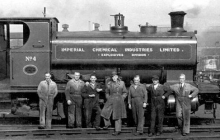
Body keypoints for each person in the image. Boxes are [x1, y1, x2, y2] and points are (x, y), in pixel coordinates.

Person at [101, 71, 127, 136]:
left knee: (117, 115)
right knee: (104, 111)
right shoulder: (109, 83)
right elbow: (106, 92)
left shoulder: (122, 83)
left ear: (117, 76)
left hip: (119, 99)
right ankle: (107, 124)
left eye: (115, 76)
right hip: (111, 98)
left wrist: (122, 98)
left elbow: (125, 92)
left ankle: (117, 130)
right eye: (112, 76)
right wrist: (108, 98)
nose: (113, 78)